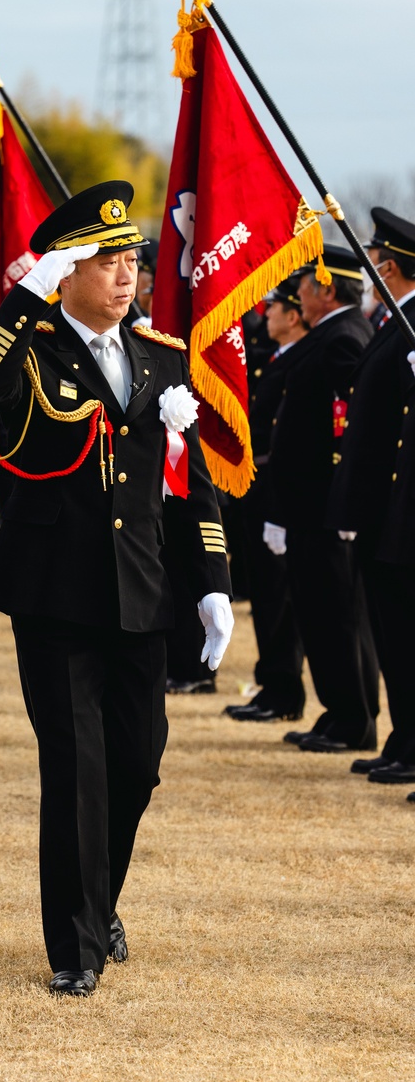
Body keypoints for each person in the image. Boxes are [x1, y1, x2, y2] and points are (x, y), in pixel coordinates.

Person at [0, 182, 233, 998]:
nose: (125, 276)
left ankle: (98, 896)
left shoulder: (162, 357)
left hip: (142, 592)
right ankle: (74, 945)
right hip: (55, 594)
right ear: (70, 269)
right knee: (74, 765)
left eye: (132, 260)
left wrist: (213, 582)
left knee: (138, 762)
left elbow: (191, 486)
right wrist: (26, 291)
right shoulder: (33, 345)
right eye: (106, 260)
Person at [265, 246, 377, 754]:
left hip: (325, 507)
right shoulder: (331, 333)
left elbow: (349, 427)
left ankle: (355, 718)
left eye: (305, 285)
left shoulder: (343, 337)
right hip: (307, 506)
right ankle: (337, 711)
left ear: (327, 289)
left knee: (338, 617)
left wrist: (346, 500)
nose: (300, 295)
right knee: (317, 614)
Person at [328, 210, 415, 784]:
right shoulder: (395, 322)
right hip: (381, 511)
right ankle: (402, 740)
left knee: (405, 636)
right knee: (391, 635)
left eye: (378, 261)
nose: (373, 270)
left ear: (391, 267)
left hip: (401, 511)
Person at [226, 276, 308, 723]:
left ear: (292, 316)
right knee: (265, 594)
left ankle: (283, 691)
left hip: (276, 488)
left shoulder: (298, 358)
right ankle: (273, 683)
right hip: (258, 485)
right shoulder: (278, 356)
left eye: (274, 307)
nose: (266, 312)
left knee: (277, 597)